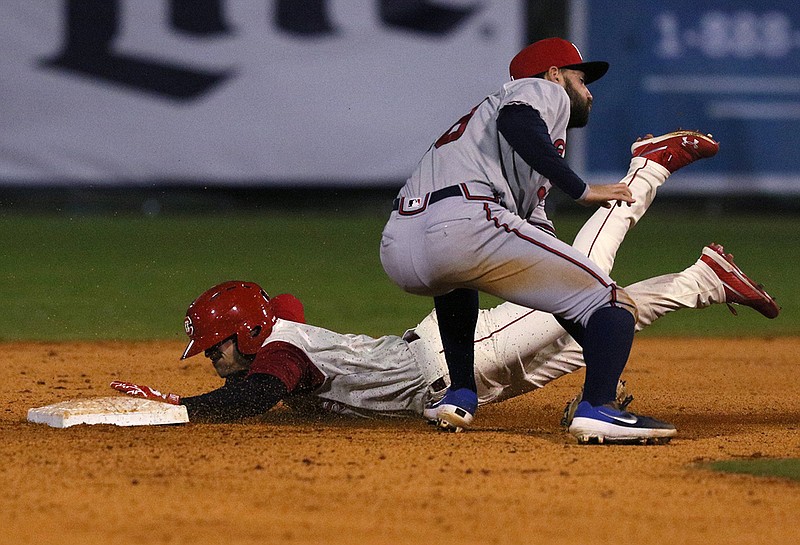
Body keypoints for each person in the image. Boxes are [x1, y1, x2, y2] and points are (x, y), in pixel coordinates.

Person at [110, 137, 780, 443]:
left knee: (584, 284)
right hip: (469, 382)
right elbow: (283, 308)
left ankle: (644, 171)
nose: (216, 358)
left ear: (248, 336)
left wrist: (184, 407)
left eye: (217, 348)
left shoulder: (279, 358)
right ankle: (700, 280)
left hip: (450, 360)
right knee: (605, 327)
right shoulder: (278, 330)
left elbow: (257, 392)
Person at [377, 36, 720, 440]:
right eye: (581, 79)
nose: (588, 92)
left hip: (400, 243)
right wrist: (582, 189)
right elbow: (518, 122)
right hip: (464, 220)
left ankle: (460, 395)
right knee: (614, 303)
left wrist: (594, 343)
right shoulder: (540, 90)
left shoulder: (493, 145)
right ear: (556, 74)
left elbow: (557, 287)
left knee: (458, 283)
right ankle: (599, 409)